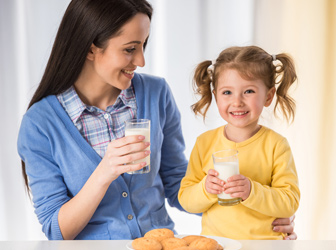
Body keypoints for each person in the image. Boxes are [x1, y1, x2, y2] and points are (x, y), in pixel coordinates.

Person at [17, 0, 297, 240]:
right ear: (91, 49)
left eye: (144, 46)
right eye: (130, 49)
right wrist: (104, 172)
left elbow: (179, 187)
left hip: (163, 243)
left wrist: (259, 216)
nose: (141, 61)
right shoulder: (41, 124)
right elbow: (56, 231)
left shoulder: (155, 94)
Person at [178, 45, 300, 240]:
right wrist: (205, 189)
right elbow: (186, 199)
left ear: (268, 96)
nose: (237, 102)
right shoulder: (204, 143)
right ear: (215, 94)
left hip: (264, 244)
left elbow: (290, 202)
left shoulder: (276, 145)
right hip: (218, 244)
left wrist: (252, 191)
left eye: (249, 91)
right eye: (227, 93)